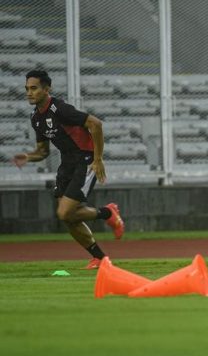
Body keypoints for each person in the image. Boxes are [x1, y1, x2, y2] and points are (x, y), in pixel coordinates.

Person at [12, 70, 124, 269]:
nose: (29, 93)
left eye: (34, 88)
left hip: (86, 160)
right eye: (27, 89)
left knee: (65, 213)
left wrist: (97, 159)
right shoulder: (35, 118)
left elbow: (95, 124)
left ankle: (108, 213)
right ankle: (99, 258)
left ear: (47, 89)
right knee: (68, 216)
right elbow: (43, 151)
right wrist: (28, 156)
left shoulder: (60, 109)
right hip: (67, 164)